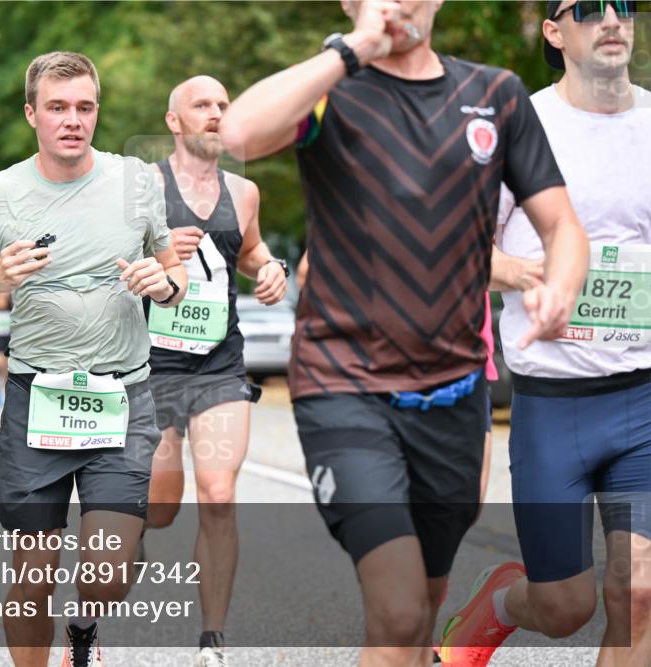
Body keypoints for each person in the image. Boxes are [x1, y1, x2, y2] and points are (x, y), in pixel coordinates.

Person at [218, 1, 590, 664]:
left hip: (453, 394)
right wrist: (350, 48)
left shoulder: (495, 95)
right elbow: (238, 134)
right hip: (343, 385)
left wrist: (560, 284)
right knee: (394, 607)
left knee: (422, 606)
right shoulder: (331, 91)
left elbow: (561, 225)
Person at [0, 51, 187, 667]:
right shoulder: (0, 195)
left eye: (85, 107)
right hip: (36, 402)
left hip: (121, 398)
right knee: (33, 576)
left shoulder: (136, 182)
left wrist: (163, 282)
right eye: (58, 108)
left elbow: (175, 272)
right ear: (32, 114)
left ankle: (86, 626)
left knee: (107, 574)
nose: (73, 120)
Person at [441, 2, 651, 665]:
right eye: (588, 8)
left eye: (625, 4)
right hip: (553, 402)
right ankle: (505, 599)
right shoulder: (516, 127)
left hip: (643, 395)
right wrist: (525, 272)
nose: (612, 18)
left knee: (639, 590)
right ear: (555, 33)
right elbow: (454, 249)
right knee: (566, 606)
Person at [142, 74, 288, 667]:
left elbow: (247, 249)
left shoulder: (243, 192)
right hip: (150, 368)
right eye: (201, 105)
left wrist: (270, 265)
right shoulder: (145, 187)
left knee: (221, 494)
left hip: (220, 365)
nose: (215, 113)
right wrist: (154, 250)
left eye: (223, 106)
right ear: (174, 121)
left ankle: (212, 641)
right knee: (159, 507)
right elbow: (107, 257)